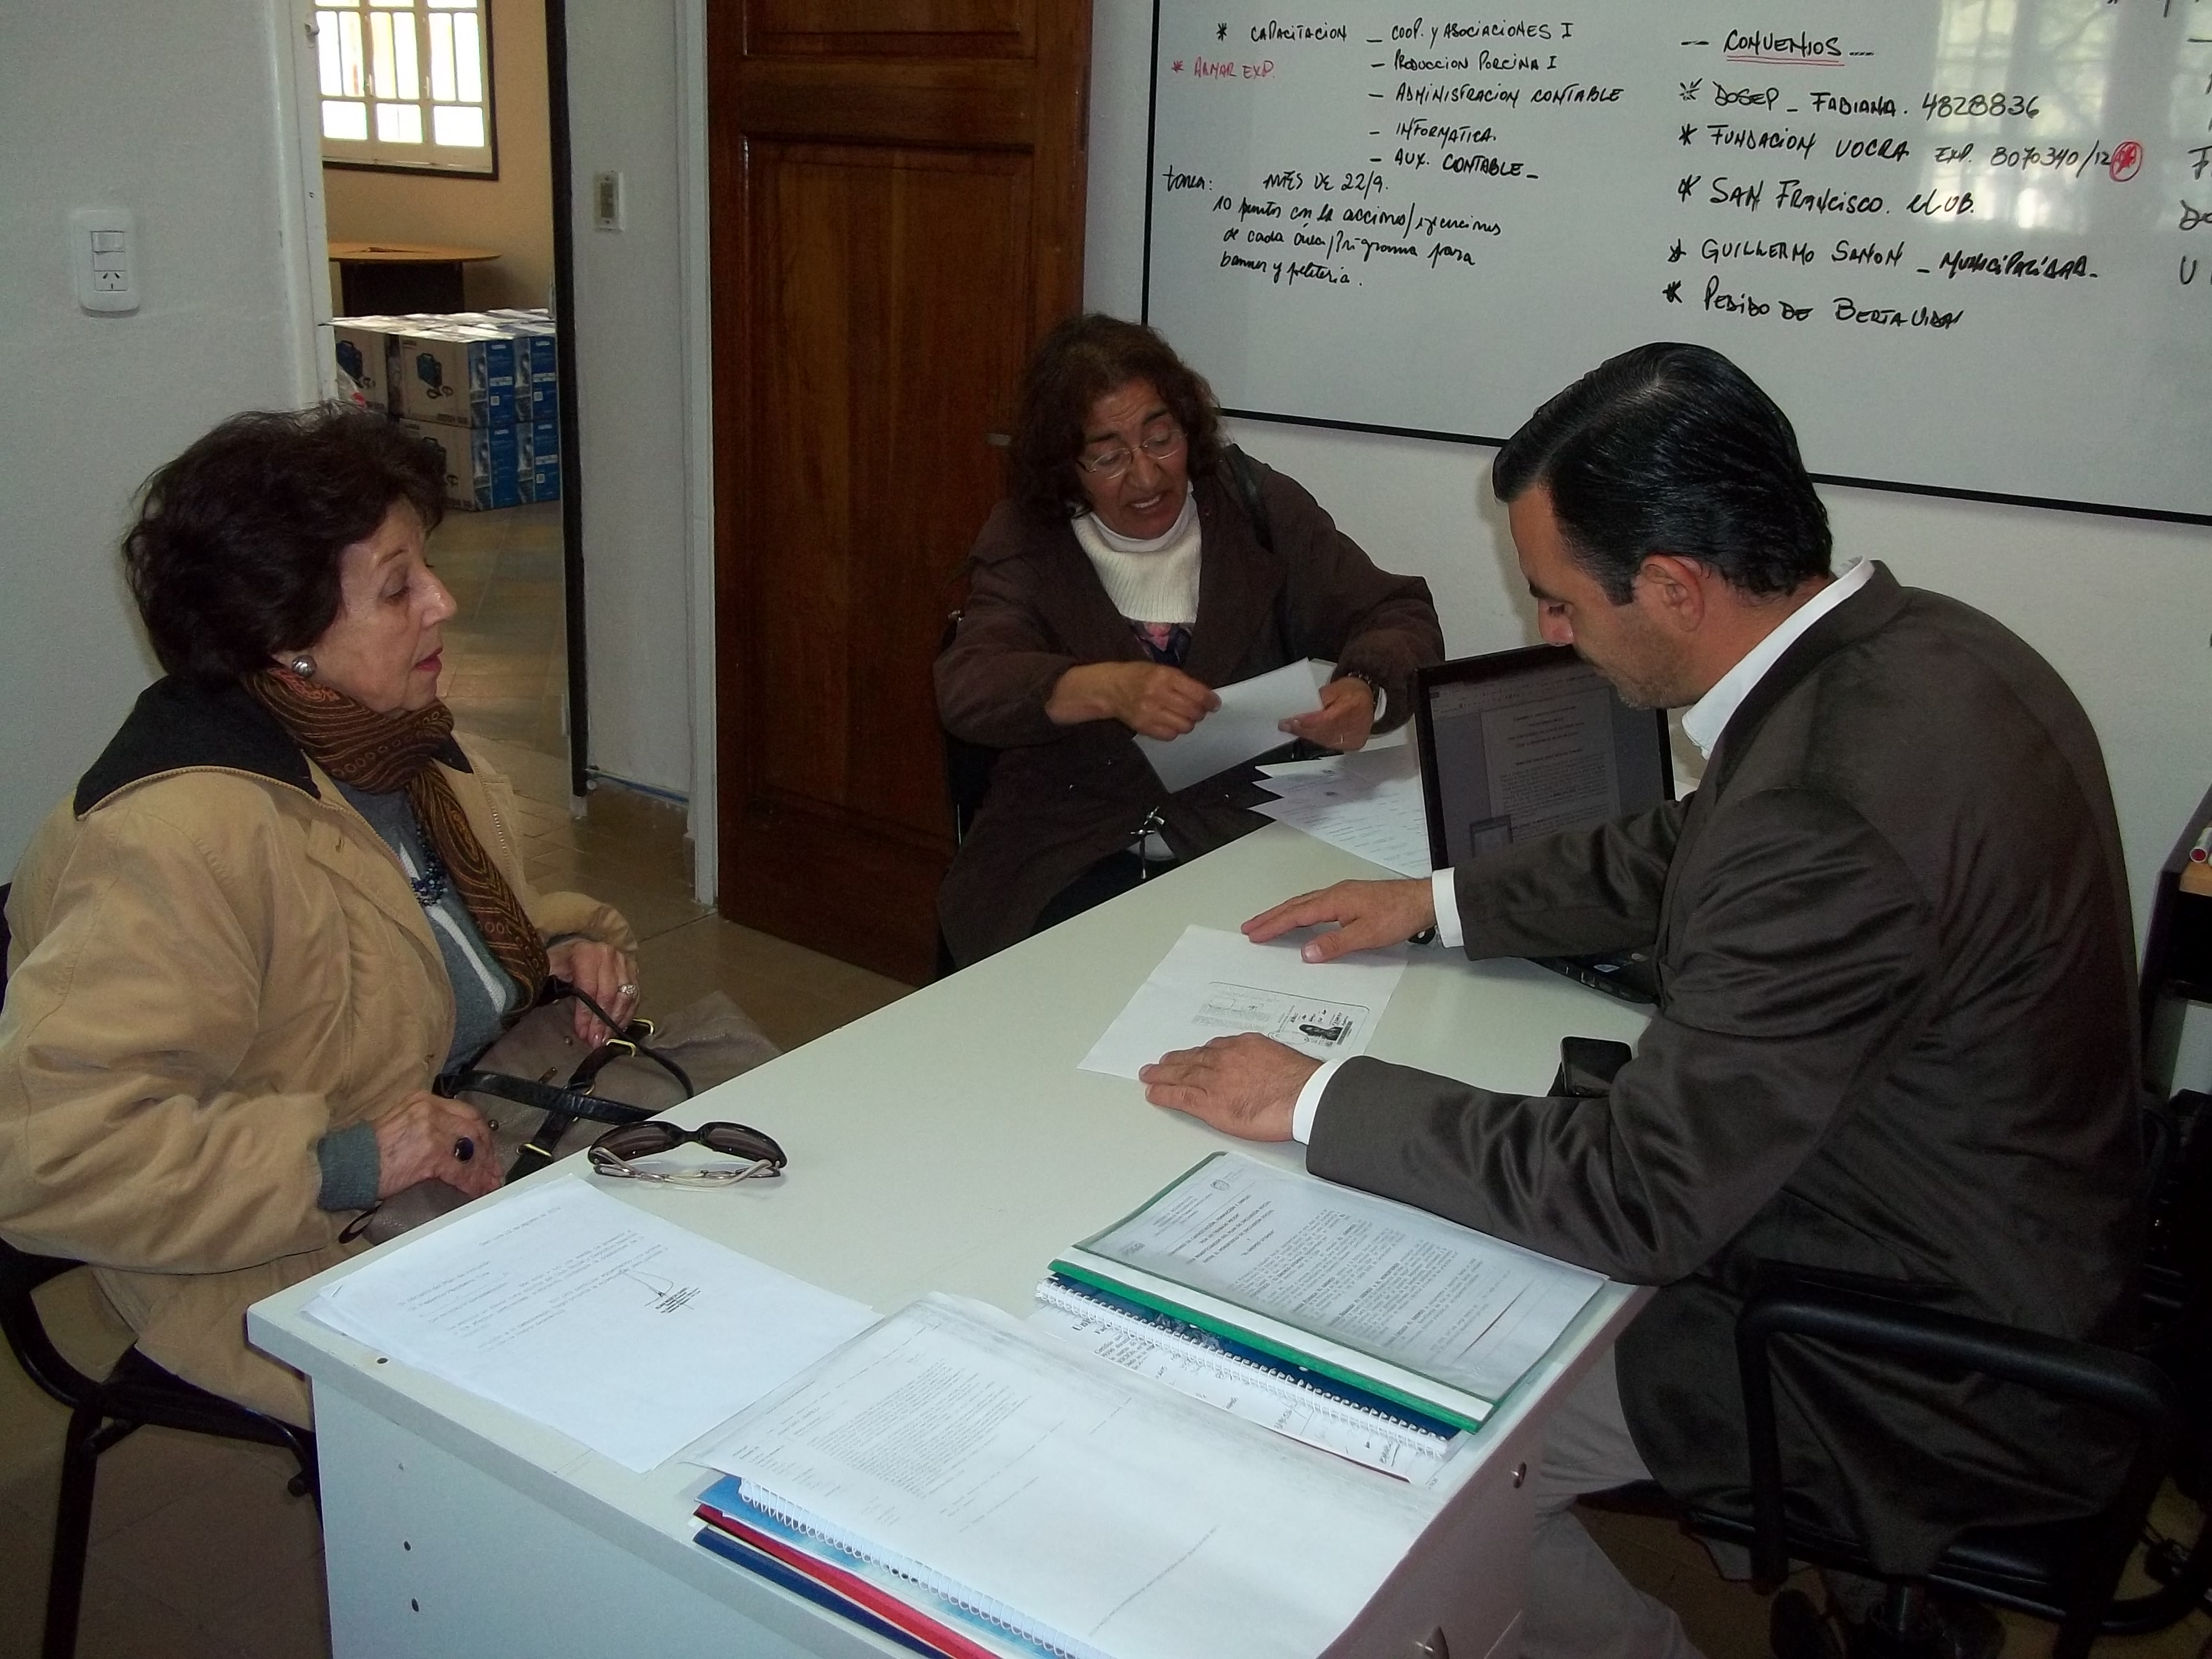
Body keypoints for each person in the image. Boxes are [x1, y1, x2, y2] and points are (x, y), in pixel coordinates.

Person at [1138, 343, 2142, 1659]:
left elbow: (1639, 1194)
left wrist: (1314, 1093)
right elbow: (1691, 845)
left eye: (1556, 601)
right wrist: (1438, 903)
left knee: (1403, 1443)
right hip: (2017, 1227)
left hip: (1915, 1355)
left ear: (1671, 586)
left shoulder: (1822, 805)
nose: (1549, 632)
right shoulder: (1922, 650)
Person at [0, 408, 640, 1427]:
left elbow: (419, 942)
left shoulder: (398, 745)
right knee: (628, 1379)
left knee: (761, 1188)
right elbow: (56, 1158)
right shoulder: (172, 840)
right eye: (398, 587)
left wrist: (564, 947)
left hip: (470, 1115)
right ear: (282, 642)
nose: (444, 601)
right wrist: (353, 1157)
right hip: (285, 1241)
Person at [935, 314, 1443, 967]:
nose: (1146, 478)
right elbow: (969, 683)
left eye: (1161, 438)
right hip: (1067, 855)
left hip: (1240, 843)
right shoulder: (1029, 538)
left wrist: (1365, 690)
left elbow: (1397, 612)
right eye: (1109, 456)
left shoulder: (1254, 511)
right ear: (1067, 464)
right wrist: (1101, 687)